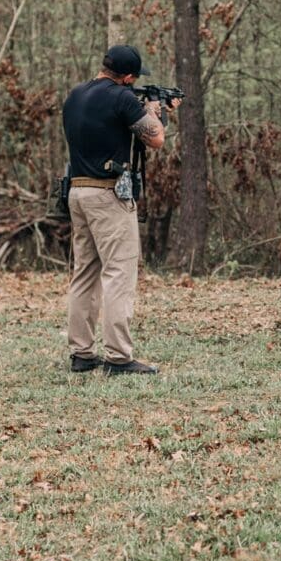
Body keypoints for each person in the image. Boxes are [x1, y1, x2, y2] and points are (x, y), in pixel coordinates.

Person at [61, 44, 179, 376]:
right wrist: (157, 112)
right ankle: (118, 356)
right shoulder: (123, 98)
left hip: (77, 190)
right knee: (118, 273)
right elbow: (156, 139)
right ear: (128, 77)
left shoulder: (75, 95)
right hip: (108, 194)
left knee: (85, 272)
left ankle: (81, 352)